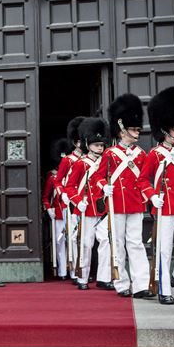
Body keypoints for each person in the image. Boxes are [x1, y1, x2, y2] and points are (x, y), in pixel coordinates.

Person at [92, 94, 152, 299]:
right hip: (116, 204)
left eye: (137, 128)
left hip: (135, 204)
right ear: (122, 129)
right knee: (117, 243)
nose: (137, 132)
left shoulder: (141, 154)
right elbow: (97, 178)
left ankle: (141, 284)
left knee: (135, 243)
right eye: (133, 129)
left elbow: (144, 179)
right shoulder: (109, 154)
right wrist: (104, 187)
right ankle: (121, 283)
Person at [138, 87, 174, 305]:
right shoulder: (154, 154)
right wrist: (152, 196)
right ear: (164, 130)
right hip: (164, 205)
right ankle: (163, 287)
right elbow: (143, 180)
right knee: (162, 248)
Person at [65, 117, 113, 290]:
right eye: (96, 145)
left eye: (101, 145)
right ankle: (83, 277)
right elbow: (69, 187)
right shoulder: (80, 164)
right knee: (86, 244)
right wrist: (78, 202)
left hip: (102, 208)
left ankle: (104, 277)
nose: (99, 148)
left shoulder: (107, 162)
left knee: (106, 241)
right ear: (87, 144)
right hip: (86, 209)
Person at [54, 117, 86, 284]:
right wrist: (63, 194)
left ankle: (86, 269)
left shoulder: (90, 159)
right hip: (71, 202)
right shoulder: (68, 160)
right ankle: (74, 271)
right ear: (75, 142)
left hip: (86, 201)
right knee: (73, 237)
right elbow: (58, 181)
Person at [42, 138, 72, 279]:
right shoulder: (53, 176)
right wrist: (49, 209)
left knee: (74, 243)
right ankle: (62, 271)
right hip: (59, 213)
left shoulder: (73, 173)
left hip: (73, 212)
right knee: (60, 243)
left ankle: (74, 271)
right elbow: (45, 196)